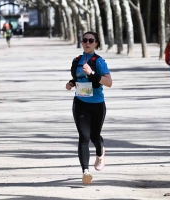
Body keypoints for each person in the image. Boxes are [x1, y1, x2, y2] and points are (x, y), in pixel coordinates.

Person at [65, 31, 112, 185]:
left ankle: (100, 151)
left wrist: (92, 73)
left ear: (96, 43)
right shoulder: (77, 60)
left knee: (94, 136)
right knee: (84, 137)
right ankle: (85, 171)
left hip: (97, 104)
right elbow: (76, 78)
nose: (87, 43)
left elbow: (109, 82)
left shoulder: (98, 61)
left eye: (91, 40)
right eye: (85, 40)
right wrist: (71, 83)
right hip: (80, 103)